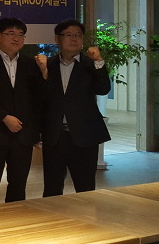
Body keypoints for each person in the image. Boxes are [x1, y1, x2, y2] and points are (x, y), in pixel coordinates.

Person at [0, 18, 46, 205]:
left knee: (18, 186)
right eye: (11, 34)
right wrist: (3, 117)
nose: (16, 38)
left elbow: (37, 101)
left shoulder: (31, 64)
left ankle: (15, 218)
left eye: (20, 35)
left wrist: (35, 133)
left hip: (22, 135)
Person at [41, 19, 109, 196]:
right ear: (57, 39)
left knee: (85, 187)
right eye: (69, 35)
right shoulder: (48, 65)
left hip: (84, 135)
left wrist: (99, 61)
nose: (74, 39)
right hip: (55, 136)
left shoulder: (90, 65)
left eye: (78, 35)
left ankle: (86, 214)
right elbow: (40, 99)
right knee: (52, 188)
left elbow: (103, 89)